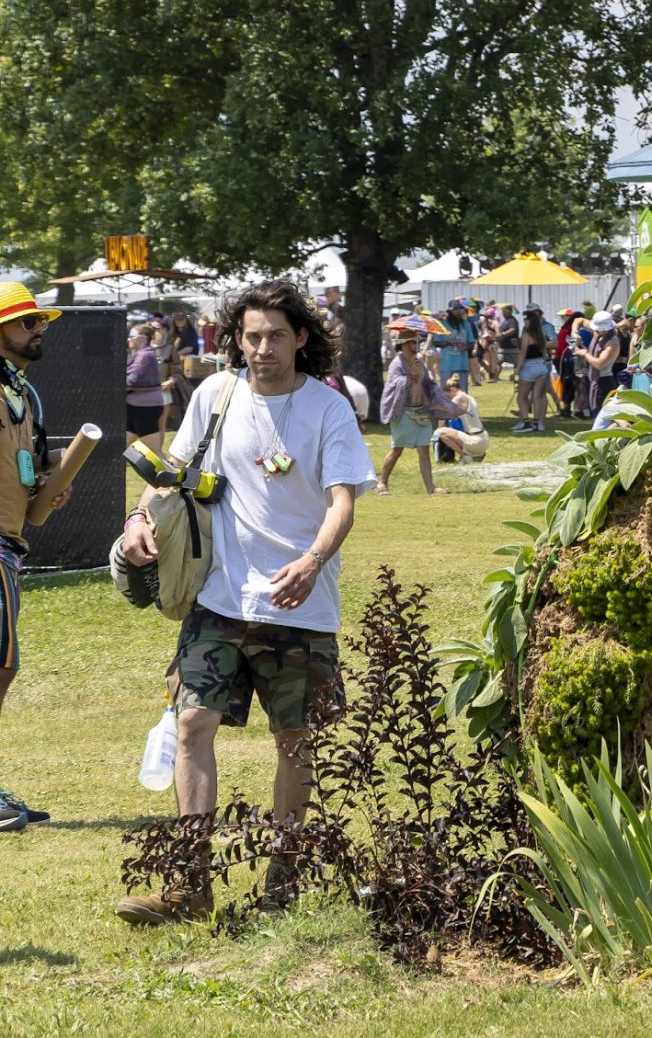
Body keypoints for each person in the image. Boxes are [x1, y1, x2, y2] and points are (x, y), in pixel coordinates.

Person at [112, 281, 371, 923]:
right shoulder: (215, 394)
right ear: (237, 339)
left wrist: (312, 561)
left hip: (299, 604)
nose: (263, 348)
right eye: (252, 336)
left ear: (301, 337)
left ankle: (283, 880)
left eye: (276, 335)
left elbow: (343, 501)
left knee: (295, 741)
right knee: (192, 725)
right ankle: (189, 885)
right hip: (219, 599)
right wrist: (139, 518)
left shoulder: (328, 409)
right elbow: (171, 475)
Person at [0, 281, 109, 830]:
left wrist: (50, 482)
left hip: (10, 543)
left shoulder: (25, 394)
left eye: (41, 321)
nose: (39, 329)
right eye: (27, 322)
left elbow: (33, 461)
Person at [378, 323, 458, 493]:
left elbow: (428, 383)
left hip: (421, 412)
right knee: (397, 450)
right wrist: (409, 378)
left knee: (424, 450)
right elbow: (392, 386)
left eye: (417, 341)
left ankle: (430, 488)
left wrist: (425, 378)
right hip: (403, 413)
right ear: (404, 344)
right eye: (413, 342)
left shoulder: (419, 362)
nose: (417, 345)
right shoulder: (397, 364)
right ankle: (382, 482)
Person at [126, 322, 170, 456]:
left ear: (143, 339)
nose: (128, 339)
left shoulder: (144, 356)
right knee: (121, 447)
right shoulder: (139, 354)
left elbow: (133, 381)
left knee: (155, 453)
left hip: (145, 409)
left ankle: (168, 469)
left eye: (131, 336)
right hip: (134, 407)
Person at [434, 373, 490, 466]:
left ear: (452, 389)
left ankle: (465, 456)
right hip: (483, 439)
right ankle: (475, 455)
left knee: (441, 432)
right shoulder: (469, 397)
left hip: (476, 441)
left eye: (449, 395)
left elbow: (443, 415)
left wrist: (440, 427)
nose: (450, 398)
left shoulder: (459, 398)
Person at [513, 307, 553, 433]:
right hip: (541, 366)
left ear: (531, 322)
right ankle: (537, 423)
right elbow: (544, 353)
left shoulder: (527, 335)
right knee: (537, 396)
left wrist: (517, 369)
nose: (525, 322)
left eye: (526, 320)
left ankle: (525, 422)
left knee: (521, 397)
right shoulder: (541, 335)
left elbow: (523, 353)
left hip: (529, 366)